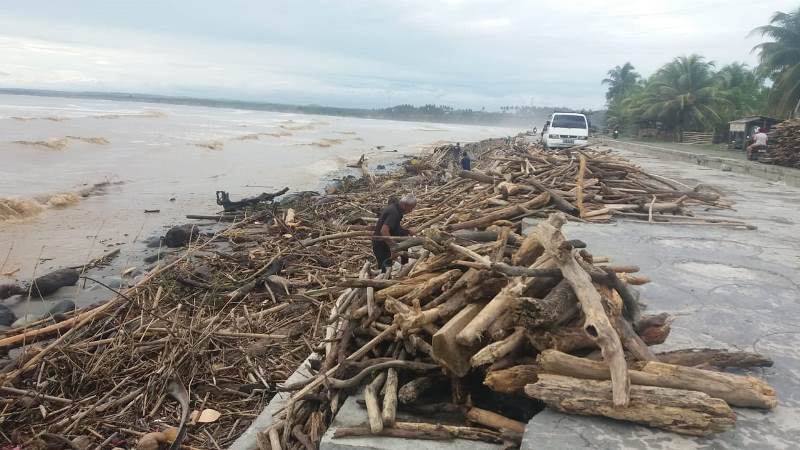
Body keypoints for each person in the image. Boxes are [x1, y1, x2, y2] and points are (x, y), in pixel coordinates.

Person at [372, 194, 416, 272]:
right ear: (405, 205)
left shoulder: (397, 209)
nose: (411, 211)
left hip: (384, 242)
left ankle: (404, 267)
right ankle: (383, 282)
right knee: (385, 269)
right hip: (381, 244)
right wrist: (394, 247)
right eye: (411, 208)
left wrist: (407, 231)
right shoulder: (394, 212)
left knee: (404, 237)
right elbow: (384, 231)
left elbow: (396, 228)